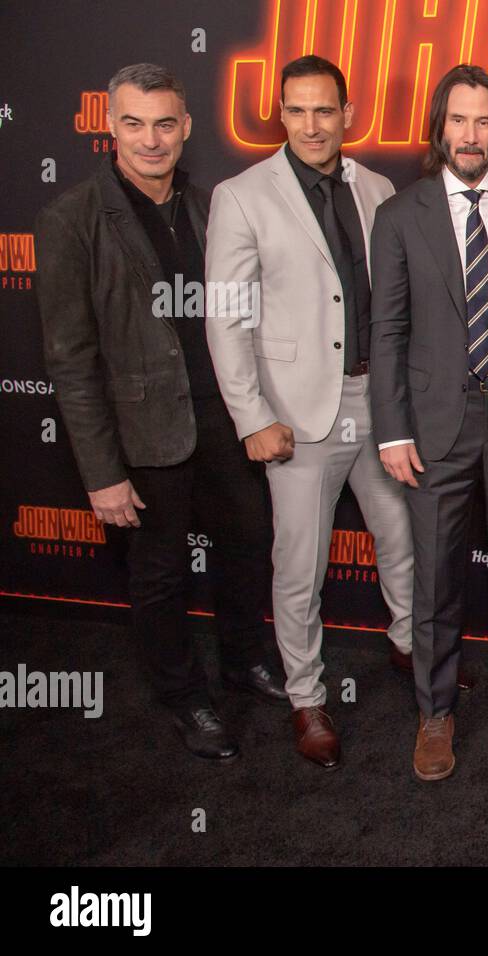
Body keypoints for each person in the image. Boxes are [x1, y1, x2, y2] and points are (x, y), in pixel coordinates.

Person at [34, 63, 284, 761]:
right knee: (160, 575)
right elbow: (70, 360)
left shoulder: (212, 207)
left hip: (226, 418)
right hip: (144, 433)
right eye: (135, 124)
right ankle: (183, 696)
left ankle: (244, 660)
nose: (151, 139)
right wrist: (102, 473)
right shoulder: (71, 219)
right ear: (110, 127)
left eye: (165, 124)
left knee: (248, 546)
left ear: (186, 127)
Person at [205, 55, 415, 769]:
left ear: (348, 113)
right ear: (281, 114)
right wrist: (252, 416)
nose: (311, 124)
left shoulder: (377, 187)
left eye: (324, 109)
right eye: (296, 110)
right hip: (295, 413)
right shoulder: (242, 196)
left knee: (400, 539)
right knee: (300, 565)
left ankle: (410, 647)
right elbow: (226, 317)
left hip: (377, 403)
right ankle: (306, 697)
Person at [369, 64, 488, 782]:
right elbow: (386, 331)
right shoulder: (399, 215)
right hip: (436, 419)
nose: (471, 135)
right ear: (438, 128)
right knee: (437, 575)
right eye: (458, 120)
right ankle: (436, 709)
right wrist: (392, 430)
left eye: (483, 121)